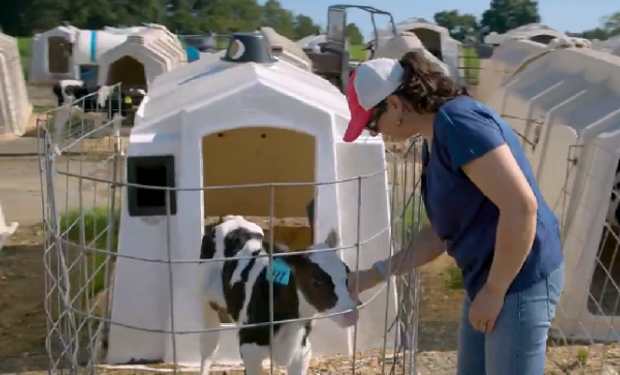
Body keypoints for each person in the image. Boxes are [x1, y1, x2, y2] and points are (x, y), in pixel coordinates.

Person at [343, 51, 564, 375]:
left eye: (372, 125)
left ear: (393, 105)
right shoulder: (435, 138)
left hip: (520, 277)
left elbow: (521, 207)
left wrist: (494, 291)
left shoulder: (458, 125)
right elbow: (439, 236)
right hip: (488, 276)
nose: (376, 133)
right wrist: (371, 276)